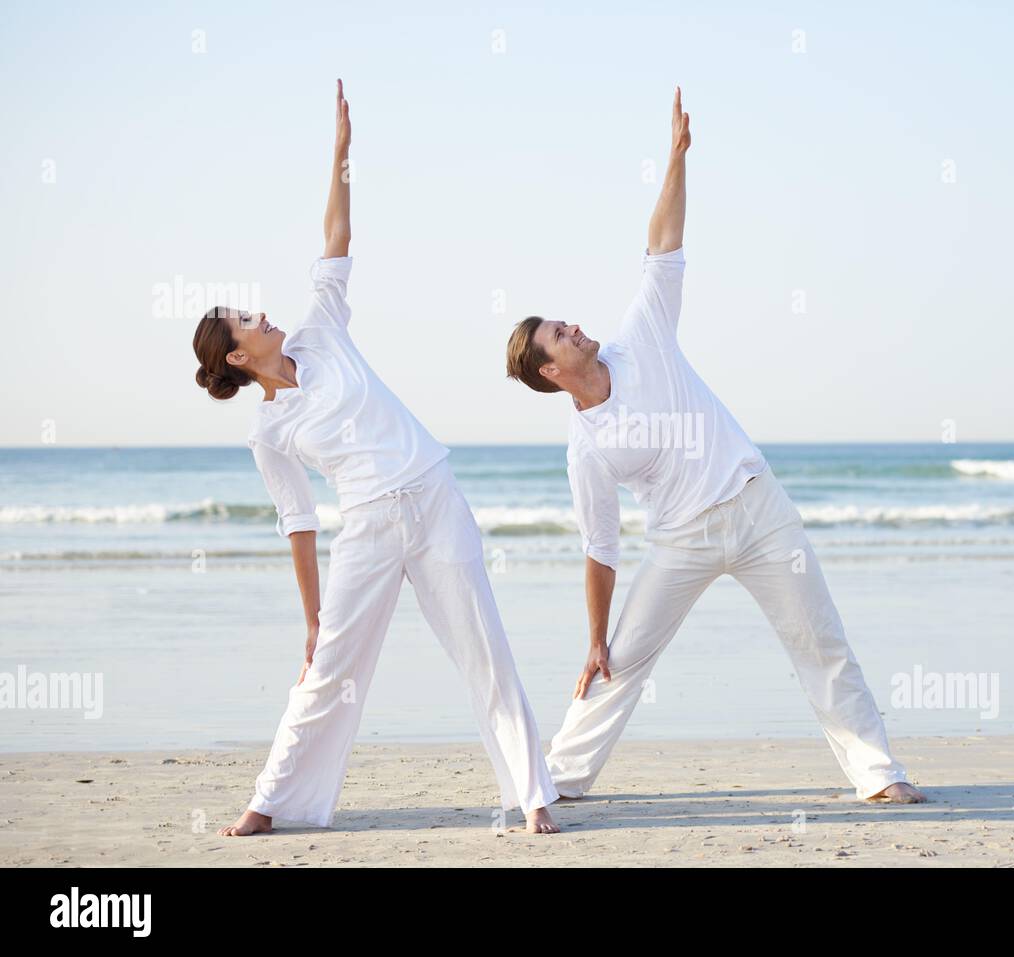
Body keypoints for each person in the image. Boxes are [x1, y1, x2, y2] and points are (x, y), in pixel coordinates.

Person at [504, 88, 927, 806]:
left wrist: (675, 158)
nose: (573, 327)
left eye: (565, 322)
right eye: (558, 335)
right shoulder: (587, 451)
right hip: (682, 541)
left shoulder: (641, 338)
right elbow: (600, 548)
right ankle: (560, 779)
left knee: (821, 644)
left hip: (758, 507)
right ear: (550, 373)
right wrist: (595, 635)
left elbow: (661, 248)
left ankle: (878, 776)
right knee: (623, 660)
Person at [192, 80, 559, 835]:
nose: (259, 311)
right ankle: (269, 802)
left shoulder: (320, 328)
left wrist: (340, 153)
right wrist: (311, 615)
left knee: (483, 650)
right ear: (236, 352)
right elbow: (298, 522)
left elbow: (335, 238)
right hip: (366, 526)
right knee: (328, 671)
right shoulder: (267, 431)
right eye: (243, 317)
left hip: (432, 495)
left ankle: (534, 795)